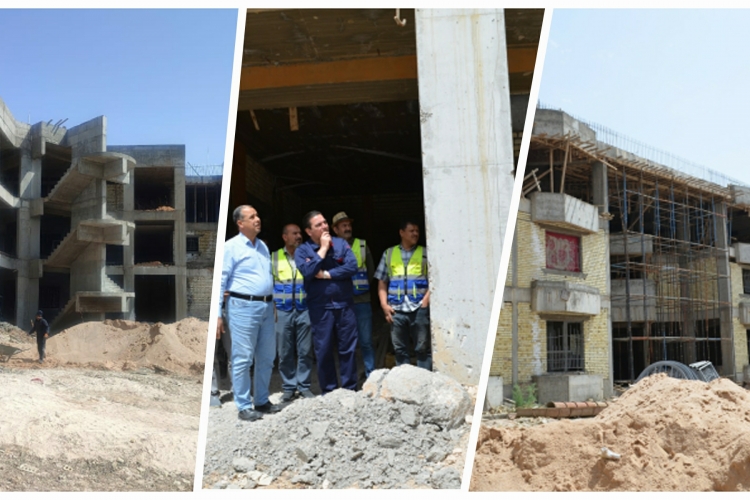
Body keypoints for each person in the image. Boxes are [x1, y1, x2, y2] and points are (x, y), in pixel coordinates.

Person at [217, 205, 279, 421]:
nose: (257, 219)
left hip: (265, 307)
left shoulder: (262, 246)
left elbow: (266, 279)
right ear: (240, 223)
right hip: (242, 307)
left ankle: (261, 401)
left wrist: (272, 306)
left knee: (267, 357)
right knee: (243, 358)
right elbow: (220, 281)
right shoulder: (230, 247)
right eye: (252, 217)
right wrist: (217, 313)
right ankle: (243, 405)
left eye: (258, 215)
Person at [295, 211, 359, 394]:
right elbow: (308, 271)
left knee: (348, 349)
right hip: (320, 308)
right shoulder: (303, 251)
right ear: (308, 231)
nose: (324, 227)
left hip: (344, 305)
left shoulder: (340, 243)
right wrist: (322, 250)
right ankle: (329, 392)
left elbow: (352, 266)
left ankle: (349, 390)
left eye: (325, 223)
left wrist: (327, 274)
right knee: (323, 351)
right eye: (318, 225)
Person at [375, 219, 432, 370]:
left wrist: (425, 303)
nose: (415, 234)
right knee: (400, 350)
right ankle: (405, 384)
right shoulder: (389, 253)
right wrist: (384, 305)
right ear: (402, 233)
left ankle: (424, 382)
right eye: (411, 231)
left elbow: (434, 280)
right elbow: (382, 282)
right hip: (396, 309)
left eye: (417, 231)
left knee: (422, 348)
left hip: (419, 307)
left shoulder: (425, 253)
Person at [273, 224, 315, 402]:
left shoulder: (308, 256)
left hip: (304, 309)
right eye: (295, 233)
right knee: (284, 352)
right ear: (285, 237)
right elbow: (267, 285)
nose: (299, 236)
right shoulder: (274, 257)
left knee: (305, 350)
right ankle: (289, 386)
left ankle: (304, 386)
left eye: (300, 233)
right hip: (282, 311)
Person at [331, 211, 376, 378]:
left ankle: (370, 374)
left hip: (362, 300)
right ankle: (349, 375)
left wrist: (360, 287)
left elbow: (370, 271)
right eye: (344, 225)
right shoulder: (329, 247)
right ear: (335, 229)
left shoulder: (362, 245)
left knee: (366, 341)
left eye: (349, 225)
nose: (348, 228)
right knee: (346, 342)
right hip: (341, 302)